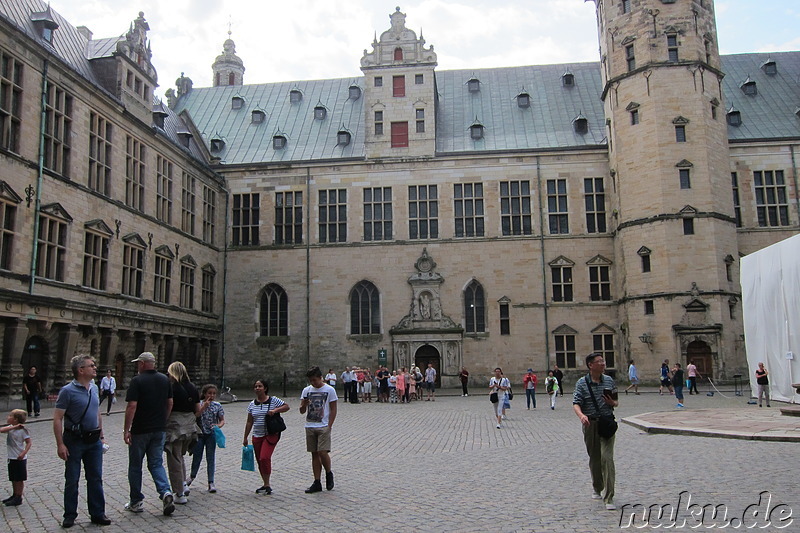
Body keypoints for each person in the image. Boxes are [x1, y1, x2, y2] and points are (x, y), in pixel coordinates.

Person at [53, 355, 110, 528]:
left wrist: (101, 435)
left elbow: (97, 412)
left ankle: (98, 513)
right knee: (72, 479)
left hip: (93, 440)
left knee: (95, 478)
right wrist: (60, 444)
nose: (94, 368)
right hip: (74, 440)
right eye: (91, 365)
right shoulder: (67, 391)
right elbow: (57, 419)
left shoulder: (94, 387)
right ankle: (70, 514)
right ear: (80, 370)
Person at [123, 352, 175, 517]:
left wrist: (126, 429)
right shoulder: (164, 379)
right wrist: (163, 420)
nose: (138, 366)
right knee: (156, 464)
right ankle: (165, 492)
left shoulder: (137, 381)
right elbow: (170, 402)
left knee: (135, 466)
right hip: (158, 428)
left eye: (139, 363)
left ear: (143, 364)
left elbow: (132, 406)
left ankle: (136, 501)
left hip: (140, 429)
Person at [573, 353, 619, 511]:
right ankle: (597, 487)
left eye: (603, 361)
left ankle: (609, 497)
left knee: (607, 458)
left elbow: (616, 402)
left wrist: (612, 402)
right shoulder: (581, 383)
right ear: (590, 365)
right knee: (595, 458)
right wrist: (581, 416)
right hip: (590, 424)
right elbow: (576, 403)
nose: (603, 363)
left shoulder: (609, 380)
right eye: (599, 362)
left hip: (606, 423)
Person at [243, 379, 290, 495]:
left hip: (270, 434)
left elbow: (286, 407)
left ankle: (267, 483)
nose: (258, 388)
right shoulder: (252, 404)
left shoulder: (273, 400)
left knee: (264, 457)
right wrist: (245, 437)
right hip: (257, 435)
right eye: (256, 386)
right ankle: (265, 484)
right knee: (260, 460)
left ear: (265, 388)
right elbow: (249, 422)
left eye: (260, 386)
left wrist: (275, 410)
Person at [164, 362, 200, 505]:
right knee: (180, 456)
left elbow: (168, 405)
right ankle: (183, 484)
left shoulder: (172, 387)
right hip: (189, 425)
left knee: (174, 458)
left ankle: (179, 492)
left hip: (175, 425)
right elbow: (197, 409)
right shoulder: (192, 387)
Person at [299, 366, 338, 494]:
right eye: (311, 381)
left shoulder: (330, 390)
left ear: (321, 378)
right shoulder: (306, 390)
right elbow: (301, 411)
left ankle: (328, 472)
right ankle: (317, 481)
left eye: (315, 380)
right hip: (310, 425)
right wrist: (304, 405)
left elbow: (333, 409)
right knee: (314, 454)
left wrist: (329, 425)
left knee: (322, 452)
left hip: (323, 425)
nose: (313, 383)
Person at [189, 384, 225, 493]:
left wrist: (218, 425)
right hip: (200, 434)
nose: (212, 395)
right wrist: (204, 407)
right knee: (197, 456)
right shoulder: (199, 404)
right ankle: (191, 477)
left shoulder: (217, 405)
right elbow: (195, 416)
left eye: (214, 393)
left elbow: (222, 420)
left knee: (210, 457)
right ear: (204, 394)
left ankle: (211, 482)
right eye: (209, 393)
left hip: (211, 434)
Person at [1, 409, 31, 507]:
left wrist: (24, 453)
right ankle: (14, 494)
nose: (8, 417)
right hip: (11, 457)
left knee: (19, 478)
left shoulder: (23, 431)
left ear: (16, 419)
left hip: (19, 458)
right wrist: (14, 427)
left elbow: (29, 442)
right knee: (13, 477)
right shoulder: (10, 428)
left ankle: (19, 496)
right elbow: (1, 430)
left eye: (10, 416)